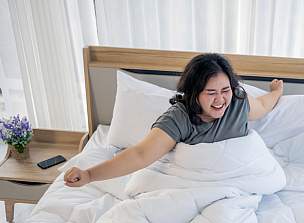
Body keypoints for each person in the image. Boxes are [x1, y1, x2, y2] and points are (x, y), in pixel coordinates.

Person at [64, 53, 283, 187]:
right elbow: (141, 154)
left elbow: (263, 106)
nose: (220, 100)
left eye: (225, 90)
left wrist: (276, 91)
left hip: (237, 184)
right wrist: (89, 175)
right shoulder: (179, 117)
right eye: (210, 92)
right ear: (194, 92)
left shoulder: (238, 101)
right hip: (193, 186)